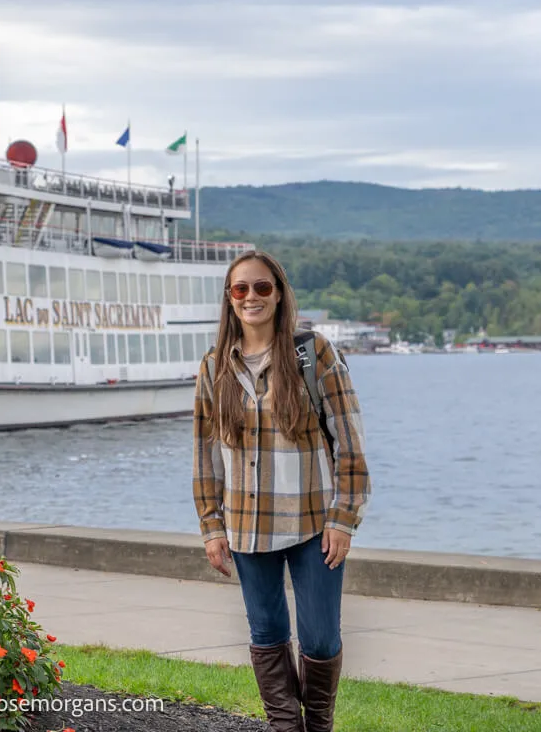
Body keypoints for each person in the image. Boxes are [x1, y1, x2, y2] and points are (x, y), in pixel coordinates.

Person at [191, 250, 371, 732]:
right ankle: (283, 727)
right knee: (267, 634)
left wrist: (343, 519)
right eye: (240, 289)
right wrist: (211, 526)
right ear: (229, 300)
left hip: (314, 524)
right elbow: (207, 456)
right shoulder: (214, 368)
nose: (251, 297)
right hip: (247, 529)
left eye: (262, 287)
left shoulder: (314, 354)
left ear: (279, 293)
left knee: (320, 640)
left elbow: (350, 442)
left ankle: (318, 726)